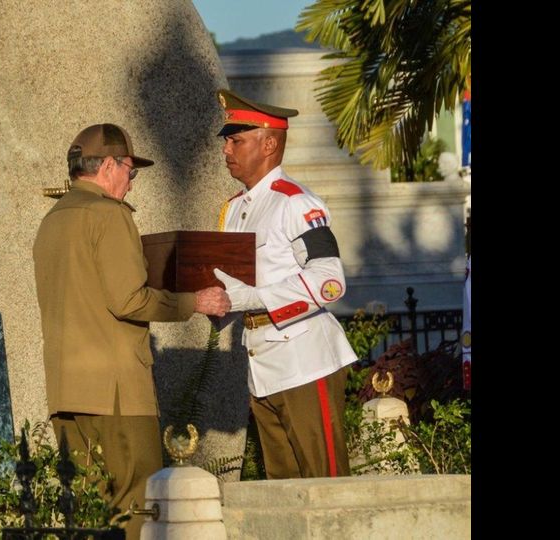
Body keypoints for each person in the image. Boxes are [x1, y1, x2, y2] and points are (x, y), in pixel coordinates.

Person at [32, 123, 230, 538]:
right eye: (130, 172)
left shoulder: (52, 221)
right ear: (107, 166)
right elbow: (129, 300)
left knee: (88, 513)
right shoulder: (109, 215)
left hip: (67, 392)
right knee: (138, 506)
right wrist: (196, 302)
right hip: (117, 393)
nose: (131, 184)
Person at [210, 89, 358, 479]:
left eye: (236, 139)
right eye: (227, 140)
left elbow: (329, 282)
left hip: (304, 360)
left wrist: (253, 297)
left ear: (269, 143)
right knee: (284, 492)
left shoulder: (295, 202)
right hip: (262, 364)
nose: (226, 149)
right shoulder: (235, 208)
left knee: (325, 484)